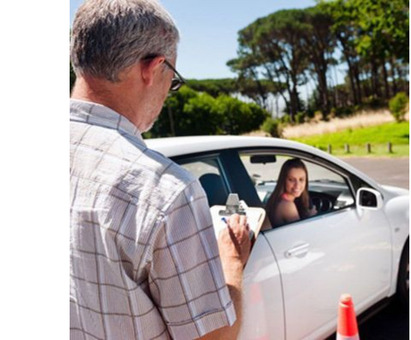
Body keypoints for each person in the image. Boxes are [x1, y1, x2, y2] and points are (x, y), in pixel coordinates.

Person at [69, 1, 251, 339]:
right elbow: (214, 337)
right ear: (153, 68)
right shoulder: (165, 190)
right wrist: (233, 262)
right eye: (174, 79)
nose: (169, 91)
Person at [265, 158, 317, 227]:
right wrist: (311, 217)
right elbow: (300, 234)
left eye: (301, 180)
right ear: (283, 180)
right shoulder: (287, 206)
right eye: (291, 180)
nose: (297, 185)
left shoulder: (278, 199)